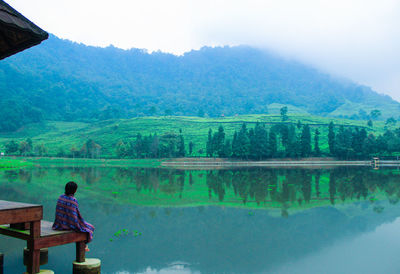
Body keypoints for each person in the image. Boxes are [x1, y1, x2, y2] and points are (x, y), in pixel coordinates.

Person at [52, 181, 94, 252]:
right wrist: (78, 225)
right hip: (68, 225)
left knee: (86, 227)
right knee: (90, 228)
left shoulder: (61, 197)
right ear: (74, 190)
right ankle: (84, 245)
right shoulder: (73, 200)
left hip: (58, 224)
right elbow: (74, 216)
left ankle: (84, 245)